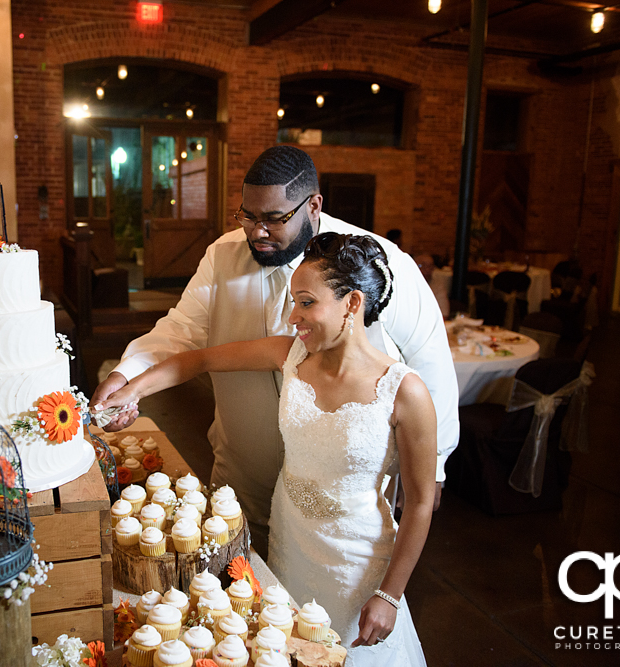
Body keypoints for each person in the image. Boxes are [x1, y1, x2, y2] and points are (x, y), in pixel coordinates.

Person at [92, 146, 458, 558]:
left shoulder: (374, 261)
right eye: (248, 216)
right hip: (240, 471)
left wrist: (435, 465)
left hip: (341, 499)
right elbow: (182, 332)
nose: (256, 231)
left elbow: (429, 358)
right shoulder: (222, 255)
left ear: (314, 204)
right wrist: (128, 377)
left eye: (273, 218)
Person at [96, 233, 434, 664]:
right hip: (290, 542)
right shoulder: (289, 356)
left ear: (352, 303)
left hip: (358, 565)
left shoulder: (405, 391)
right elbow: (197, 359)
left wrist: (390, 593)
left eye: (307, 303)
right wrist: (131, 391)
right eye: (294, 302)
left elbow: (421, 502)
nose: (294, 317)